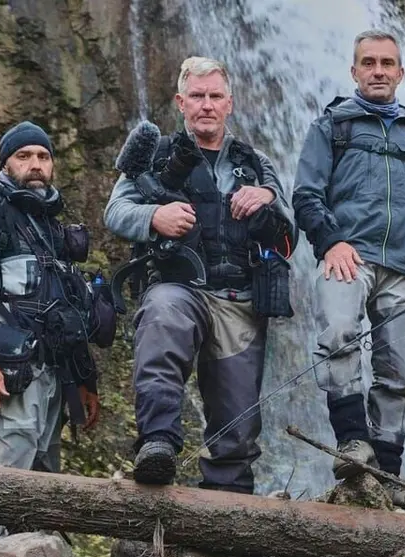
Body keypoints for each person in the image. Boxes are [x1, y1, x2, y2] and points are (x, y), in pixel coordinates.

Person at [103, 57, 296, 491]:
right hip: (179, 286)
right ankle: (157, 444)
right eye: (197, 96)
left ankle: (229, 504)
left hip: (239, 298)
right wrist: (154, 216)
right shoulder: (155, 156)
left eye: (214, 96)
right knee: (162, 317)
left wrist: (267, 199)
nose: (206, 105)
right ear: (181, 102)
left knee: (238, 422)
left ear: (229, 103)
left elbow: (290, 231)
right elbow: (115, 211)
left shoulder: (256, 162)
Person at [292, 30, 405, 506]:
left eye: (387, 63)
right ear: (354, 71)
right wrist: (331, 242)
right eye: (369, 63)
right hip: (348, 255)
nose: (378, 71)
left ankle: (388, 475)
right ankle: (352, 442)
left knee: (400, 372)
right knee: (338, 333)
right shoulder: (332, 127)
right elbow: (306, 195)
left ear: (401, 73)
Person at [0, 121, 102, 549]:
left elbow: (65, 311)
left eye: (43, 156)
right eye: (24, 156)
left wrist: (84, 380)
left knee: (41, 496)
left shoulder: (49, 228)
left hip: (52, 379)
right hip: (9, 378)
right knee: (1, 493)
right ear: (5, 164)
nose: (35, 164)